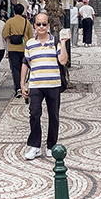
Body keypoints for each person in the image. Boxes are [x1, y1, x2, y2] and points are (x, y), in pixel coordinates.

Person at [20, 12, 69, 159]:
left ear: (48, 25)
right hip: (36, 84)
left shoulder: (55, 41)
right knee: (34, 113)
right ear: (34, 26)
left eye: (44, 24)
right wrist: (22, 84)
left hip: (53, 84)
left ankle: (51, 145)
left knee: (53, 115)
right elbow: (25, 64)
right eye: (38, 24)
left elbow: (63, 61)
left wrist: (63, 43)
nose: (41, 27)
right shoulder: (30, 43)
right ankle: (35, 146)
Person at [2, 4, 34, 99]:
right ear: (23, 11)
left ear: (14, 11)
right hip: (25, 49)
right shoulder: (27, 22)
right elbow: (31, 37)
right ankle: (23, 85)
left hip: (13, 49)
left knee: (15, 69)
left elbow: (4, 35)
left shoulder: (9, 22)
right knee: (24, 68)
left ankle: (18, 89)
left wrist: (12, 36)